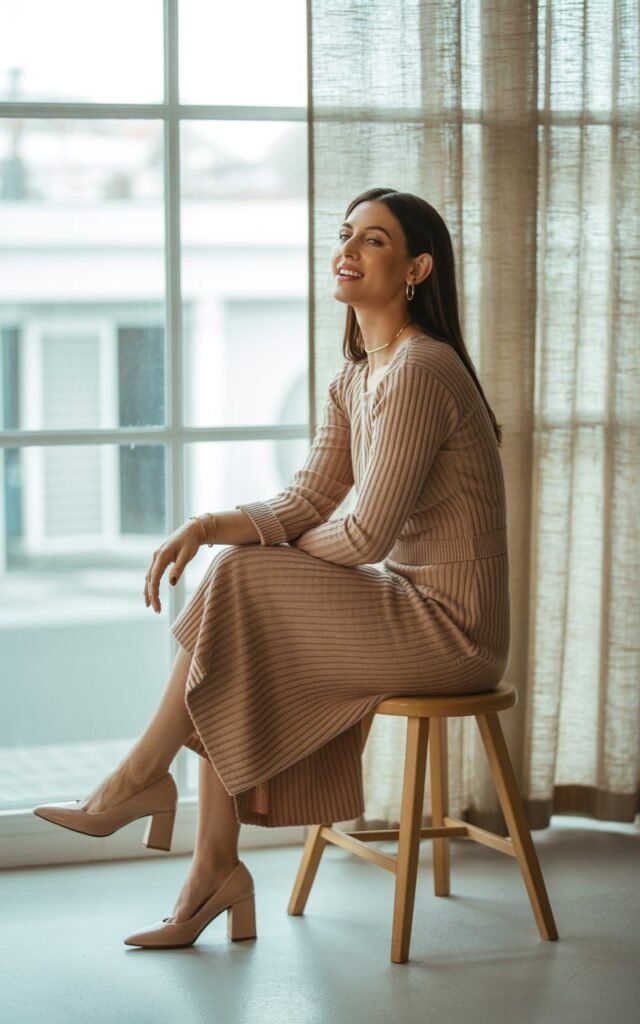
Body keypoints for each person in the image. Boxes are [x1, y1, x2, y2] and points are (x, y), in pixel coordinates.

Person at [33, 187, 510, 949]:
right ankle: (208, 866)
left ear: (417, 268)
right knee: (241, 596)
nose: (347, 251)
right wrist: (209, 526)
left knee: (245, 586)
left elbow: (363, 534)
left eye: (374, 241)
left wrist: (258, 559)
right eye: (346, 234)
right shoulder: (358, 377)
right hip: (406, 605)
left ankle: (145, 787)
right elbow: (310, 497)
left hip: (455, 632)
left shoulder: (421, 369)